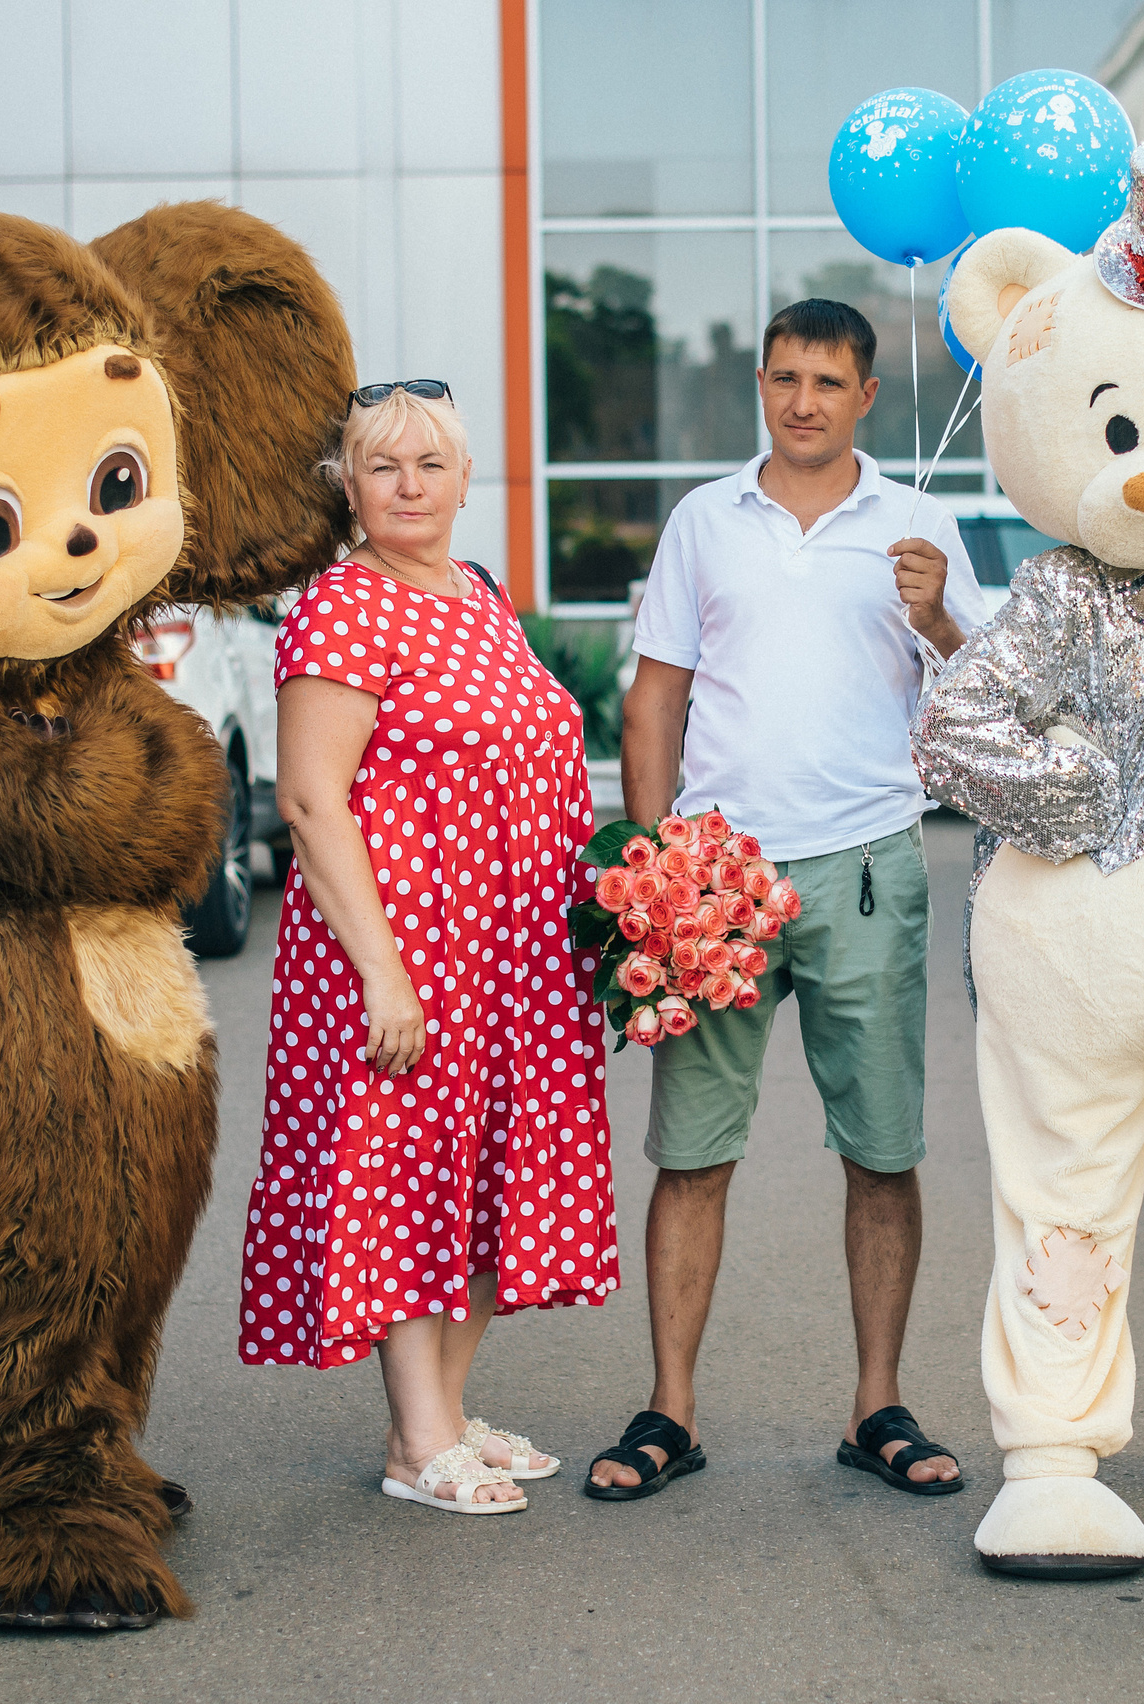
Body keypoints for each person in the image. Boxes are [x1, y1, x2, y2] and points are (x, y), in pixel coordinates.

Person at [585, 299, 987, 1502]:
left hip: (870, 862)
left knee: (882, 1149)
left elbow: (979, 698)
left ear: (868, 395)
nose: (801, 399)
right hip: (717, 879)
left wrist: (939, 616)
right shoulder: (706, 521)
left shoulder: (919, 523)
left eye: (827, 380)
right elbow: (653, 701)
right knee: (693, 1153)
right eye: (782, 378)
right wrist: (653, 867)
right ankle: (670, 1411)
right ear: (759, 384)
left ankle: (878, 1406)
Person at [239, 380, 619, 1516]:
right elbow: (310, 801)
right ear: (348, 488)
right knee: (404, 1179)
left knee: (485, 1185)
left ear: (464, 478)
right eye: (383, 467)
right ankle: (415, 1444)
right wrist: (382, 972)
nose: (409, 486)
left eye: (430, 465)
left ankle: (446, 1416)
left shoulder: (478, 593)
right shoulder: (342, 608)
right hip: (401, 950)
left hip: (511, 956)